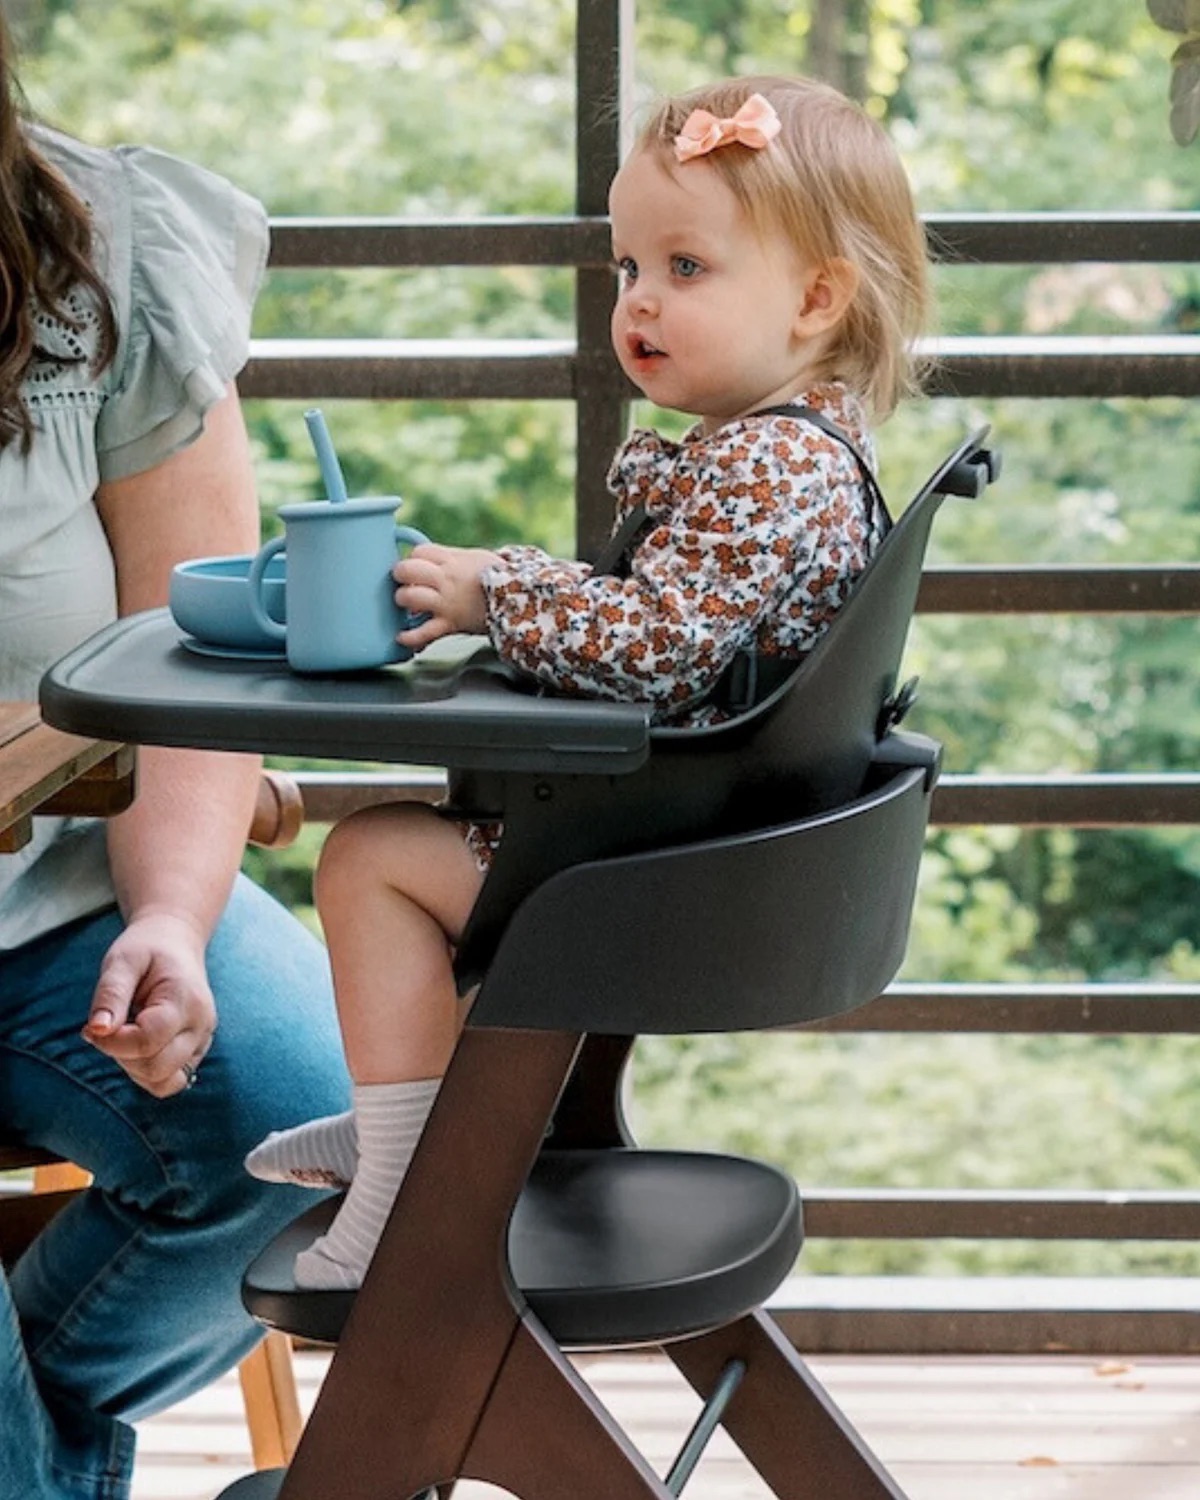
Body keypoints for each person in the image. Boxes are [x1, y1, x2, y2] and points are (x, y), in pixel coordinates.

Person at [245, 73, 930, 1289]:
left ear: (817, 299)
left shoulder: (768, 466)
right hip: (685, 838)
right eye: (627, 268)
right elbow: (684, 623)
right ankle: (408, 1127)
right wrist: (514, 594)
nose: (640, 300)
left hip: (659, 870)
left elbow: (660, 646)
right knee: (400, 852)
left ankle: (400, 1185)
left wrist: (498, 593)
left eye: (686, 267)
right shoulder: (791, 451)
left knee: (370, 860)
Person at [0, 18, 350, 1499]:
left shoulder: (104, 248)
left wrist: (171, 917)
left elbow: (188, 656)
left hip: (61, 893)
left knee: (308, 1139)